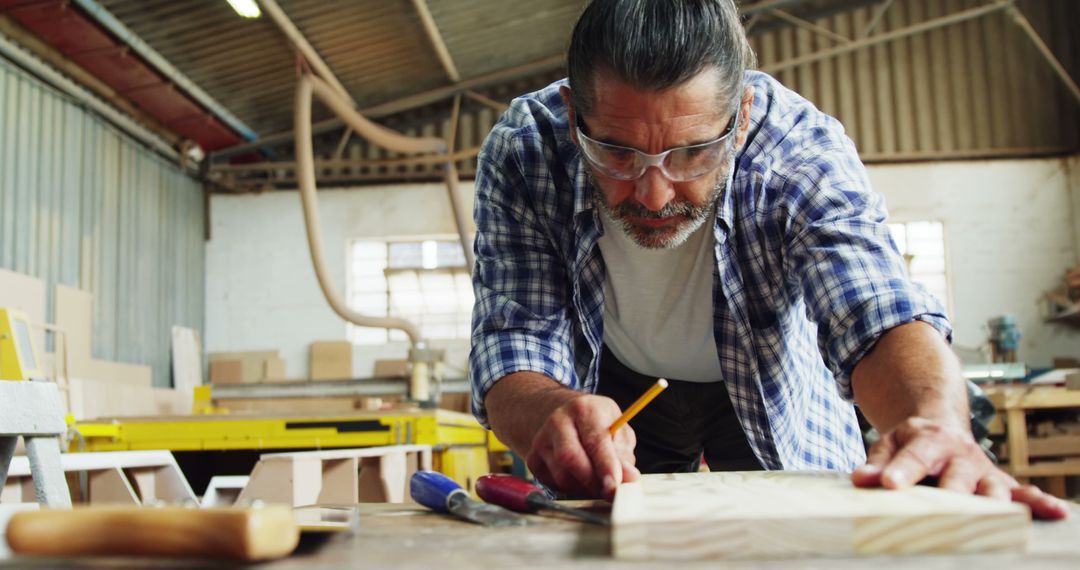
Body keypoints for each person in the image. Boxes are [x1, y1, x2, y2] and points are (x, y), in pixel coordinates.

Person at [468, 0, 1067, 518]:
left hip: (765, 380)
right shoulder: (528, 151)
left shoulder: (799, 149)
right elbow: (516, 338)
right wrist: (551, 411)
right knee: (611, 535)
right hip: (611, 391)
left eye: (693, 153)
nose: (654, 193)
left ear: (743, 117)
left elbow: (875, 310)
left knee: (800, 534)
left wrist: (935, 423)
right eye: (617, 153)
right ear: (574, 117)